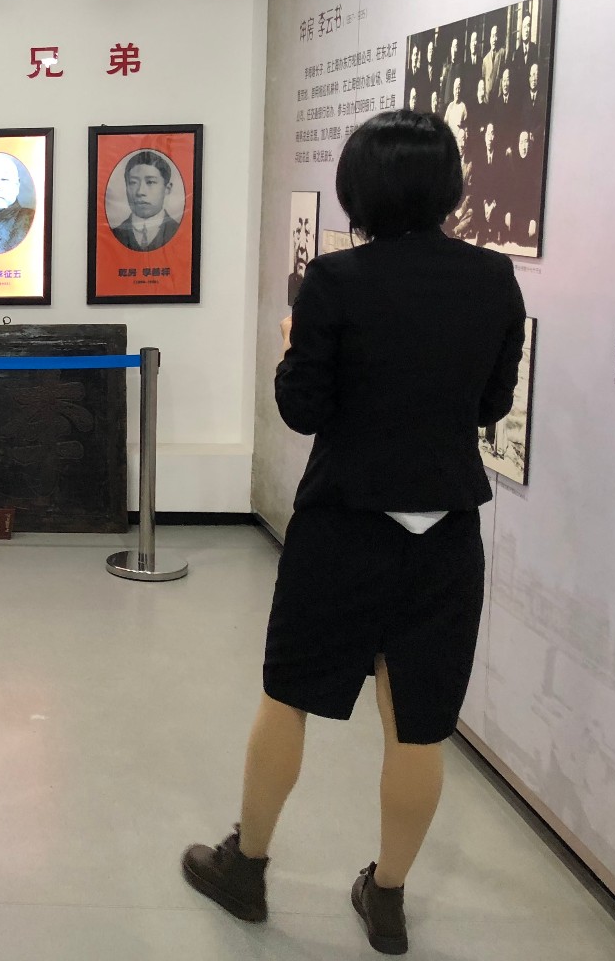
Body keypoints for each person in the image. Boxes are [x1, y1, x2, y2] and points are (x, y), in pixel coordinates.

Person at [181, 111, 525, 956]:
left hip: (343, 525)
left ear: (358, 188)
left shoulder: (336, 280)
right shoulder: (493, 279)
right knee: (419, 724)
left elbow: (303, 408)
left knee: (289, 696)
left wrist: (290, 347)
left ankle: (246, 867)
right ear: (448, 185)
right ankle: (389, 896)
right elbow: (492, 404)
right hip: (443, 532)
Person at [110, 150, 181, 251]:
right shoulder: (113, 234)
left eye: (150, 182)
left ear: (167, 189)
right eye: (133, 182)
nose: (140, 192)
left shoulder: (181, 233)